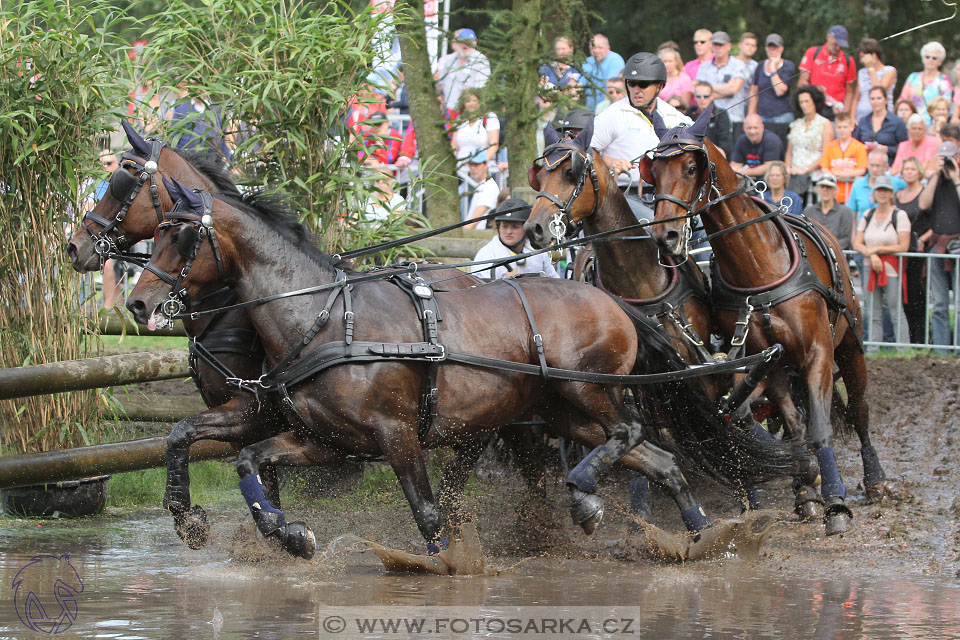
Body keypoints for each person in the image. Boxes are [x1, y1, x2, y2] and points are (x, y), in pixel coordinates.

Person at [591, 52, 692, 217]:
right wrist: (610, 162)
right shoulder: (612, 115)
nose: (636, 90)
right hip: (622, 193)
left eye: (643, 84)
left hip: (668, 194)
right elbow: (584, 151)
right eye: (632, 83)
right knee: (656, 225)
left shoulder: (674, 116)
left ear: (659, 86)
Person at [852, 175, 911, 345]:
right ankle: (873, 348)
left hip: (891, 268)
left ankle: (903, 349)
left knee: (895, 309)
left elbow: (903, 245)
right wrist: (871, 254)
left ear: (891, 193)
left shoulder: (899, 215)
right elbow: (857, 242)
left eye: (886, 190)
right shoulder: (869, 214)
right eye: (879, 190)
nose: (883, 193)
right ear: (874, 193)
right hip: (870, 266)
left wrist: (876, 250)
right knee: (873, 310)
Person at [917, 139, 960, 348]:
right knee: (940, 303)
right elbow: (923, 204)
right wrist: (935, 174)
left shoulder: (958, 179)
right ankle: (942, 351)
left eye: (949, 158)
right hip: (937, 247)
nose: (945, 162)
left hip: (958, 245)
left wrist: (956, 178)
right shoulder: (935, 181)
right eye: (942, 158)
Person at [473, 198, 560, 279]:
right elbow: (478, 291)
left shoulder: (538, 252)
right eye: (504, 226)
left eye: (515, 227)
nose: (509, 231)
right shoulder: (486, 255)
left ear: (526, 228)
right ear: (498, 227)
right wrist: (503, 284)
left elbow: (555, 283)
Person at [896, 157, 931, 344]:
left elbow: (935, 223)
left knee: (917, 296)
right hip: (902, 253)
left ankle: (920, 340)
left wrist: (922, 239)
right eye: (906, 168)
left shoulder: (925, 194)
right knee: (904, 298)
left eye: (912, 169)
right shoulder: (898, 195)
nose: (909, 172)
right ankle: (908, 340)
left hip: (918, 252)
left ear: (919, 172)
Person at [697, 31, 750, 141]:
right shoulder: (704, 67)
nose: (719, 48)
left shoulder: (738, 65)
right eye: (716, 45)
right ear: (712, 46)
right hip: (710, 119)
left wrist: (709, 90)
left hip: (734, 118)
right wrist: (725, 89)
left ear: (728, 46)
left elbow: (734, 89)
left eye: (722, 45)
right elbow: (699, 91)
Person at [785, 85, 833, 203]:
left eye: (807, 101)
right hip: (794, 174)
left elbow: (826, 154)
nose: (804, 105)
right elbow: (789, 152)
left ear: (814, 101)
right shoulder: (796, 124)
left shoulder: (825, 124)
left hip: (814, 175)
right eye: (801, 102)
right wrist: (787, 168)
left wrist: (806, 170)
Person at [798, 25, 857, 118]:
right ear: (828, 37)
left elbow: (849, 92)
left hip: (836, 110)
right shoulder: (812, 53)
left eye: (840, 45)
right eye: (835, 43)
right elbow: (802, 83)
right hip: (815, 107)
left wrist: (844, 113)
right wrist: (814, 91)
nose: (837, 47)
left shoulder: (848, 61)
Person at [748, 34, 795, 135]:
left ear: (781, 49)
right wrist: (750, 116)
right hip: (762, 117)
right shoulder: (760, 65)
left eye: (775, 47)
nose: (772, 50)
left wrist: (773, 67)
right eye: (770, 47)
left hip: (782, 116)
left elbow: (780, 90)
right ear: (766, 48)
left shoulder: (788, 65)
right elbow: (754, 92)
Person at [434, 29, 491, 112]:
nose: (465, 45)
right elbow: (441, 84)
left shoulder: (481, 61)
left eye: (469, 42)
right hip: (449, 111)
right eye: (462, 42)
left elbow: (481, 89)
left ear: (474, 43)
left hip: (470, 111)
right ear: (458, 43)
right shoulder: (449, 60)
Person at [899, 41, 953, 126]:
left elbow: (946, 105)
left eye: (934, 58)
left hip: (933, 125)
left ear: (940, 61)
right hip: (912, 124)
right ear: (922, 58)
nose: (930, 60)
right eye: (927, 57)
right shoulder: (913, 77)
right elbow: (902, 100)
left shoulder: (943, 80)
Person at [451, 88, 499, 182]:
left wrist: (480, 164)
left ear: (480, 103)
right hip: (461, 171)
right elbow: (454, 145)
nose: (471, 103)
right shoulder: (459, 120)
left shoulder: (489, 118)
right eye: (468, 101)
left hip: (481, 170)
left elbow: (494, 145)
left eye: (474, 100)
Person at [819, 112, 867, 204]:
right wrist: (833, 174)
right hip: (834, 193)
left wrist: (845, 175)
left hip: (852, 193)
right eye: (839, 127)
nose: (842, 130)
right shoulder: (830, 146)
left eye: (845, 127)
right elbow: (824, 167)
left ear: (852, 127)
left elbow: (862, 170)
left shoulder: (859, 147)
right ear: (836, 128)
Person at [855, 86, 908, 166]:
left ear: (886, 100)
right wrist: (863, 148)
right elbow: (855, 143)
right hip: (865, 164)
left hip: (889, 165)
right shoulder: (863, 121)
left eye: (879, 98)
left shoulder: (897, 122)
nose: (875, 101)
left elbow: (905, 149)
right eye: (872, 99)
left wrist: (885, 149)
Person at [847, 149, 907, 219]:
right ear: (867, 165)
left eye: (878, 166)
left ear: (886, 167)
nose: (874, 169)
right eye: (872, 165)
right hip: (863, 228)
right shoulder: (857, 185)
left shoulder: (895, 182)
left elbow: (910, 189)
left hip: (886, 227)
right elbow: (852, 214)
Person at [801, 173, 855, 250]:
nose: (825, 190)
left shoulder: (845, 211)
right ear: (817, 189)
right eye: (822, 187)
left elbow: (846, 239)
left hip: (837, 254)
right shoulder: (808, 211)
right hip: (814, 252)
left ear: (835, 190)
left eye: (829, 187)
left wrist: (828, 248)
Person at [852, 38, 897, 122]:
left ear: (873, 55)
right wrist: (852, 117)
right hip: (861, 118)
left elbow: (879, 90)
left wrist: (871, 68)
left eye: (863, 57)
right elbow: (856, 97)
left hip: (882, 118)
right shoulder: (862, 72)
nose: (861, 61)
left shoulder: (889, 70)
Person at [688, 81, 732, 157]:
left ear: (712, 96)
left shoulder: (721, 114)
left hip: (715, 155)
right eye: (698, 96)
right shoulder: (690, 113)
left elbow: (725, 145)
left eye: (706, 96)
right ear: (694, 97)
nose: (702, 99)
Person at [582, 34, 625, 110]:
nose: (596, 51)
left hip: (609, 108)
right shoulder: (587, 62)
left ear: (608, 48)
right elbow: (578, 84)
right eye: (593, 48)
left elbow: (611, 87)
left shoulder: (615, 60)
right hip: (589, 109)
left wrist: (602, 110)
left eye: (600, 48)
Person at [361, 156, 406, 224]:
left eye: (385, 180)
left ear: (391, 180)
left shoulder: (398, 200)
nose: (381, 182)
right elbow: (355, 218)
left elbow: (394, 222)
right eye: (377, 180)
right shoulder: (365, 198)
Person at [463, 150, 499, 230]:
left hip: (479, 234)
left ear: (485, 165)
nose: (472, 168)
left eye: (476, 164)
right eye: (470, 164)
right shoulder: (483, 185)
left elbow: (475, 219)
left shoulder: (489, 187)